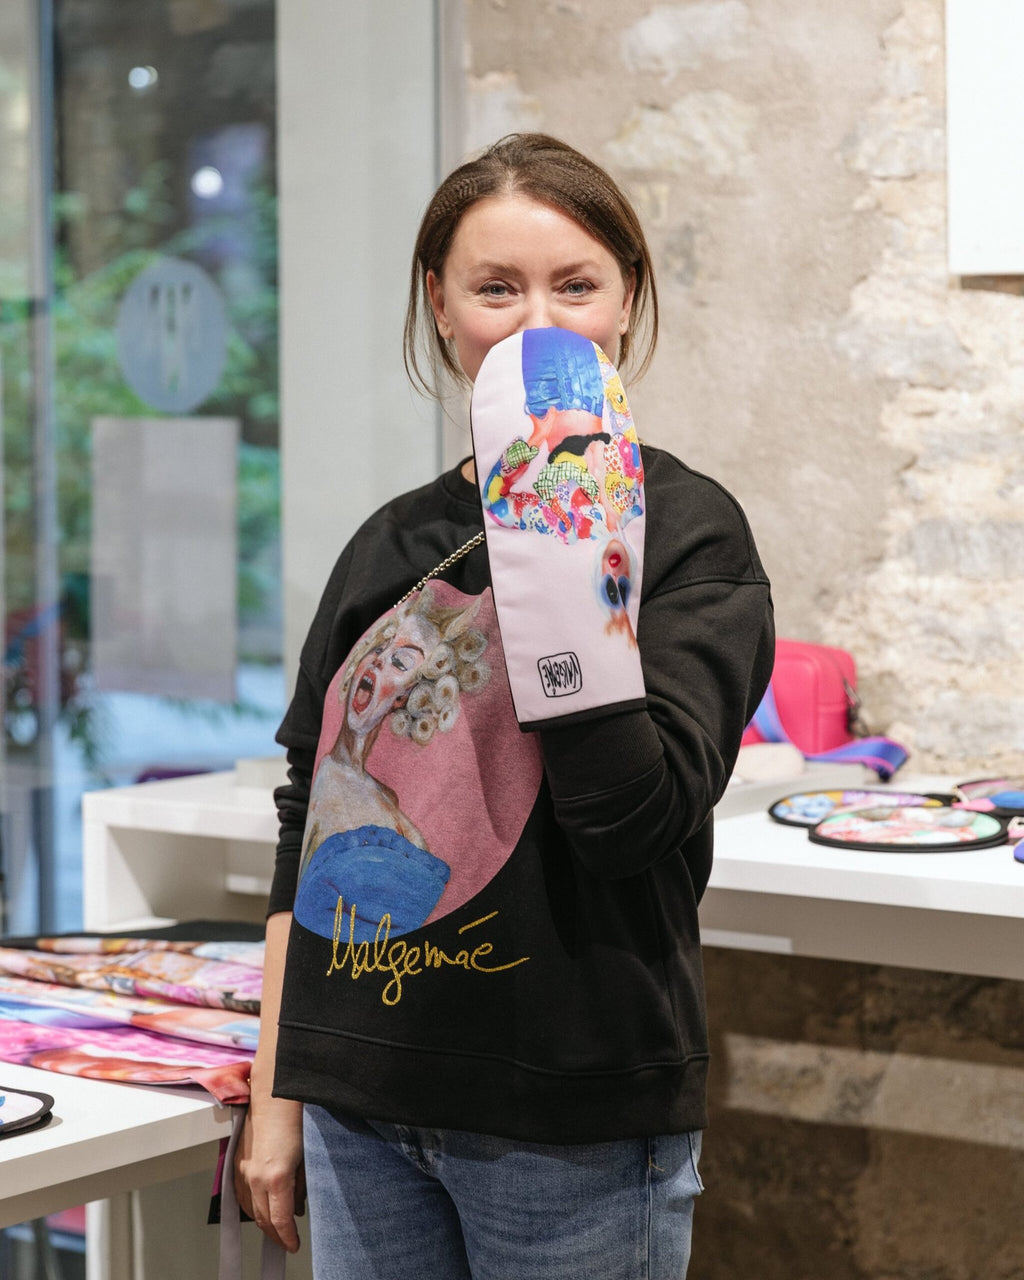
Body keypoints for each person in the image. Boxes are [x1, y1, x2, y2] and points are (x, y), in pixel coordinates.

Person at [235, 132, 774, 1280]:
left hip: (567, 1114)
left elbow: (632, 819)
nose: (536, 322)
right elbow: (308, 823)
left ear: (626, 300)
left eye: (574, 284)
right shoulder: (389, 541)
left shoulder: (690, 534)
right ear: (441, 306)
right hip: (360, 1102)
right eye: (496, 287)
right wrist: (282, 1092)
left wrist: (564, 569)